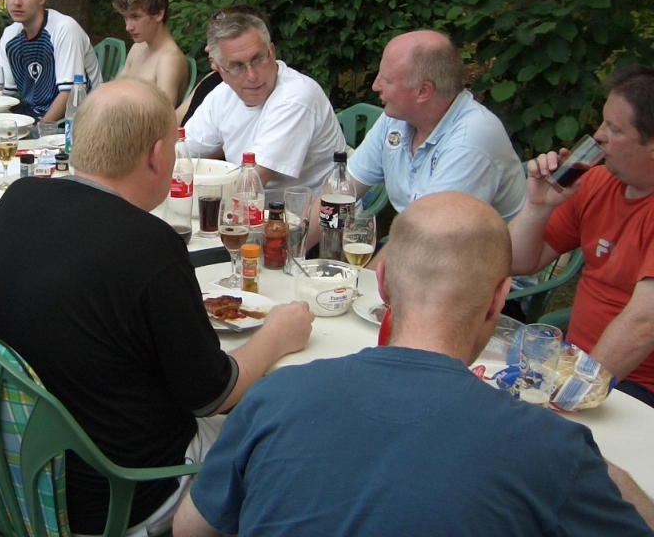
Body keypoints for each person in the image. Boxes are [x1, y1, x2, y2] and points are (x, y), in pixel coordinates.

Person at [174, 192, 654, 537]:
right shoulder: (551, 450)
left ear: (381, 283)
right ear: (498, 298)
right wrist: (598, 468)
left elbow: (191, 528)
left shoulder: (274, 396)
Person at [0, 78, 313, 535]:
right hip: (121, 489)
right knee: (282, 428)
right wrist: (276, 335)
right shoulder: (149, 244)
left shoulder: (19, 198)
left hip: (21, 462)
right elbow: (213, 396)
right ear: (156, 155)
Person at [509, 65, 654, 409]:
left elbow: (643, 325)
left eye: (614, 129)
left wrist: (568, 395)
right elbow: (515, 262)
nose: (598, 135)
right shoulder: (597, 183)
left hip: (633, 389)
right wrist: (538, 206)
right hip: (571, 366)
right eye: (603, 121)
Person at [345, 29, 526, 220]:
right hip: (426, 234)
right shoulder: (397, 117)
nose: (375, 86)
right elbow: (342, 191)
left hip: (461, 238)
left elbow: (431, 232)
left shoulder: (469, 140)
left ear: (423, 91)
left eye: (387, 80)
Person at [182, 7, 346, 200]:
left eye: (258, 59)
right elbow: (179, 156)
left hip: (311, 215)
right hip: (255, 211)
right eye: (237, 66)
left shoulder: (296, 97)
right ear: (218, 68)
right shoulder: (222, 95)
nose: (252, 76)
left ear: (272, 52)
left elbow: (252, 183)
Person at [0, 0, 102, 122]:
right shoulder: (10, 35)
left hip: (77, 120)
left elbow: (69, 93)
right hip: (32, 115)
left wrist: (39, 129)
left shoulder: (65, 29)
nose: (16, 2)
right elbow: (5, 94)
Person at [113, 0, 188, 105]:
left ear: (159, 14)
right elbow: (114, 90)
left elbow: (163, 113)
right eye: (125, 18)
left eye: (136, 17)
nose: (128, 27)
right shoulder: (138, 48)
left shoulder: (169, 60)